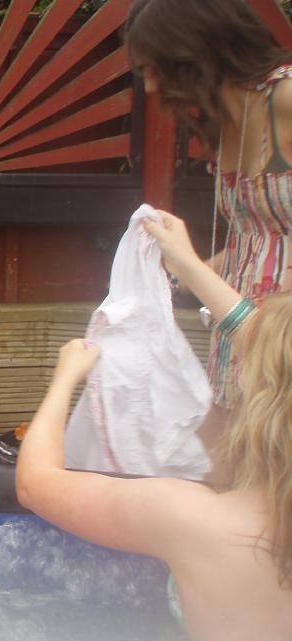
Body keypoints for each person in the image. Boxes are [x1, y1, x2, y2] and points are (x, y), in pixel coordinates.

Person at [16, 209, 292, 641]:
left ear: (259, 403)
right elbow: (267, 345)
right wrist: (188, 265)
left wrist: (65, 381)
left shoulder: (191, 518)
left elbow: (35, 484)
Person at [125, 0, 292, 449]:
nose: (151, 86)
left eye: (156, 70)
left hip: (279, 344)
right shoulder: (228, 120)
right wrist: (180, 271)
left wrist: (189, 263)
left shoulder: (286, 100)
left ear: (197, 53)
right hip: (236, 335)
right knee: (217, 472)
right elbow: (264, 237)